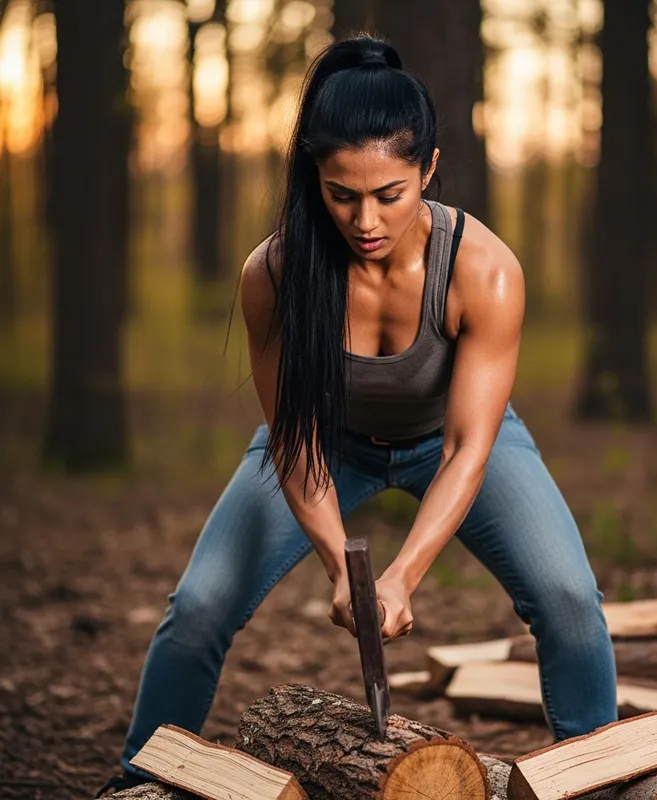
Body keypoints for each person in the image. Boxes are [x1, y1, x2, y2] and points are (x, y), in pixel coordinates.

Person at [96, 34, 617, 796]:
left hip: (456, 437)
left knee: (571, 599)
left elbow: (471, 448)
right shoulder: (273, 275)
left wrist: (400, 577)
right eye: (342, 195)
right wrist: (343, 565)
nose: (365, 219)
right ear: (315, 176)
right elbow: (294, 441)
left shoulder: (485, 270)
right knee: (199, 606)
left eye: (389, 194)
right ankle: (136, 781)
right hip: (319, 442)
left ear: (430, 169)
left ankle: (604, 779)